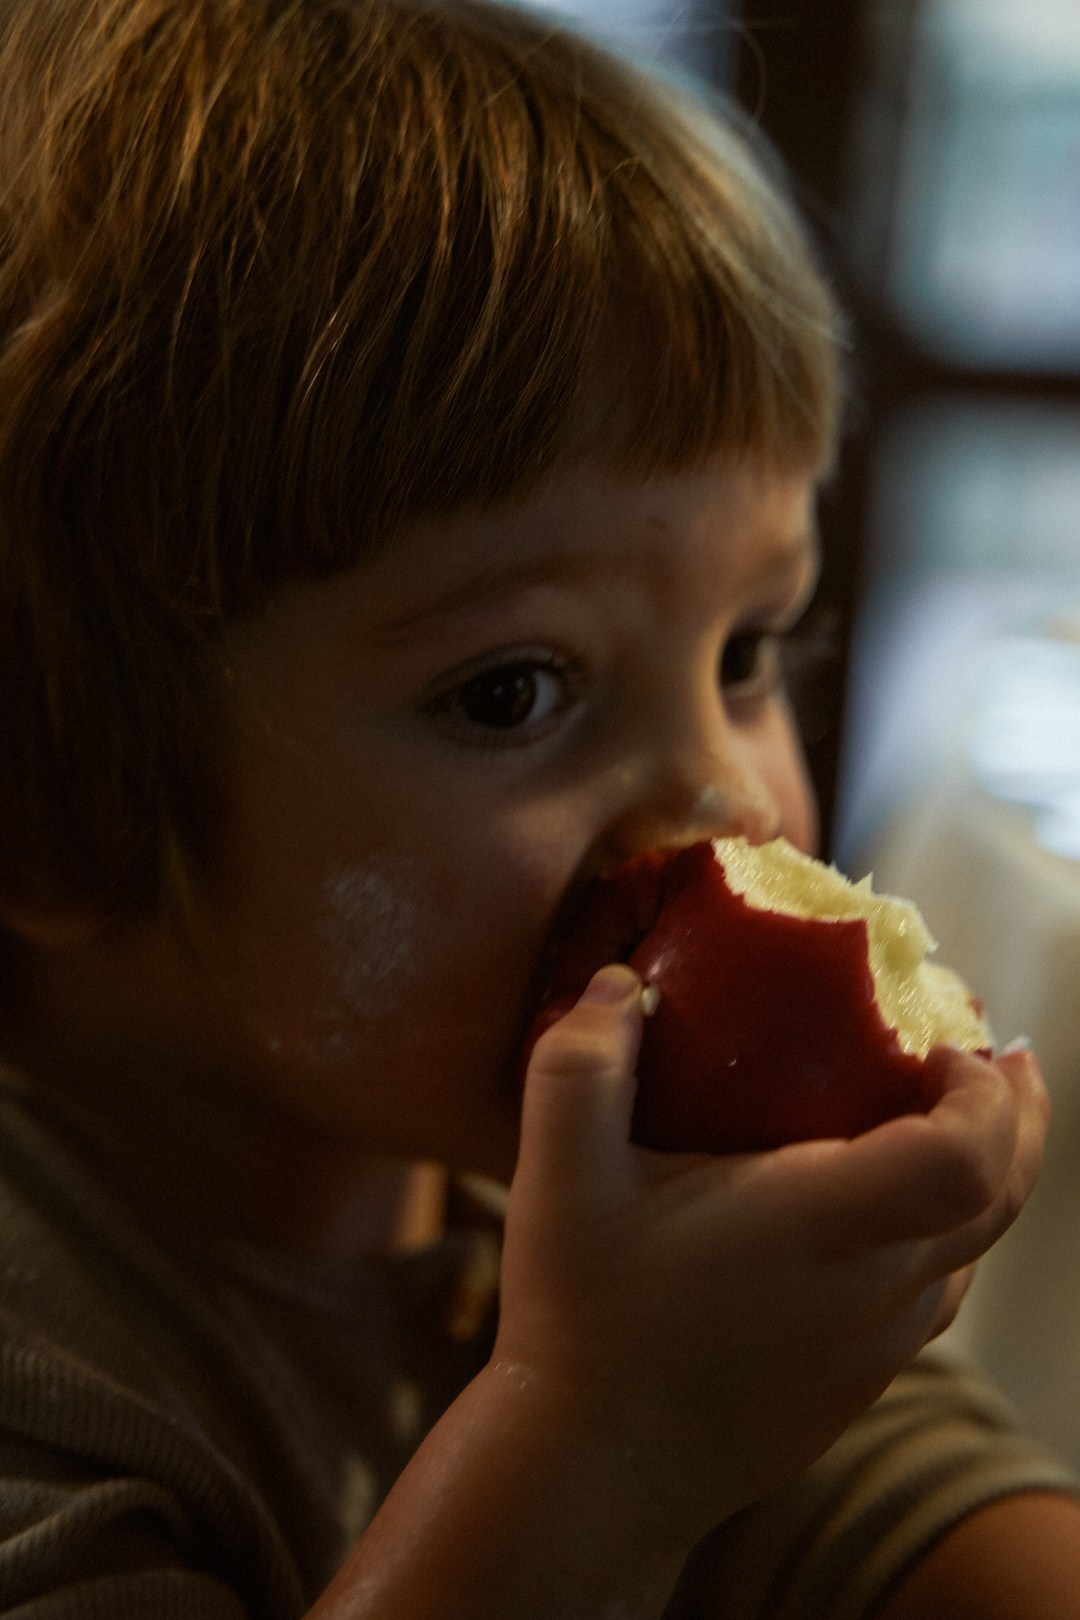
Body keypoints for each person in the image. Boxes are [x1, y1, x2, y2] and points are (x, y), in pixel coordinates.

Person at [0, 1, 1078, 1615]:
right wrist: (605, 1447)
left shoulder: (539, 1179)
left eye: (748, 649)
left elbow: (920, 1519)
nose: (722, 796)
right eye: (513, 691)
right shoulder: (43, 1385)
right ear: (51, 804)